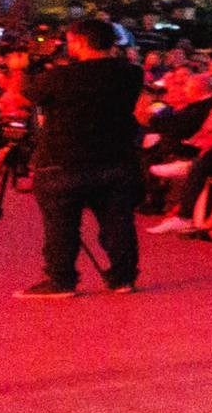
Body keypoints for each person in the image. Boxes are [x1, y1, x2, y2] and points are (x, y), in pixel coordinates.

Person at [16, 15, 146, 299]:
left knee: (61, 224)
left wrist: (26, 68)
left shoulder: (62, 77)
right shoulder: (131, 74)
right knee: (118, 221)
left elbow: (29, 94)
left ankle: (61, 279)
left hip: (63, 160)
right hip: (115, 159)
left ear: (80, 42)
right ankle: (123, 277)